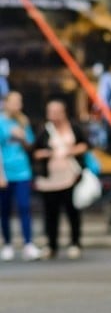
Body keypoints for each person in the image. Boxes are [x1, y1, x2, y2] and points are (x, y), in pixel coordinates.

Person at [32, 99, 89, 259]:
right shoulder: (44, 130)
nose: (53, 115)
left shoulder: (74, 127)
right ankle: (52, 245)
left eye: (56, 111)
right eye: (50, 111)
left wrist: (72, 151)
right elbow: (34, 152)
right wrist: (45, 153)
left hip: (71, 176)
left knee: (72, 211)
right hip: (49, 179)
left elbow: (85, 144)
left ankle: (75, 243)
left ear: (63, 112)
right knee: (51, 213)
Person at [0, 90, 40, 261]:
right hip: (5, 172)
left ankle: (28, 244)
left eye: (20, 101)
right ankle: (7, 244)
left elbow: (30, 147)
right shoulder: (1, 122)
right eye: (15, 101)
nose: (18, 105)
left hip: (23, 171)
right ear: (6, 103)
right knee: (5, 210)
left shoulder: (23, 122)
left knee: (24, 207)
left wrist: (23, 138)